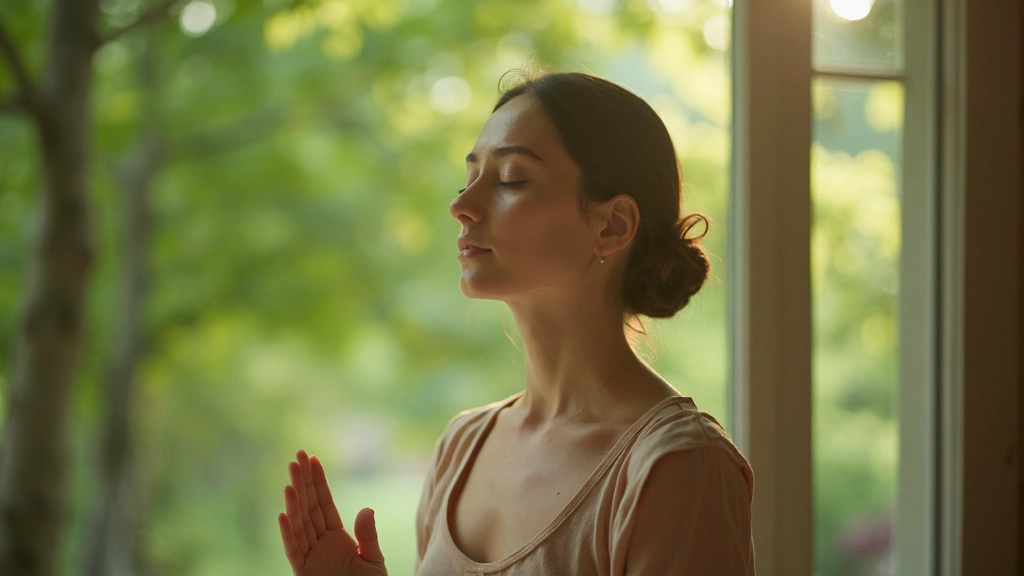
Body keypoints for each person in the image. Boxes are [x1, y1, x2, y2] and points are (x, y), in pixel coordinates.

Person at [276, 70, 755, 576]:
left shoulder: (677, 467)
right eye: (468, 179)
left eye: (511, 180)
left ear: (613, 226)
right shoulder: (462, 446)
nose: (461, 206)